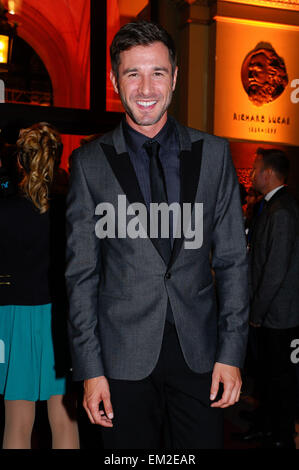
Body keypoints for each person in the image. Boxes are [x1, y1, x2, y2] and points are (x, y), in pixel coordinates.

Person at [66, 21, 249, 449]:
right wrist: (90, 371)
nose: (146, 87)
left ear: (176, 77)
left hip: (200, 356)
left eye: (158, 73)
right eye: (133, 73)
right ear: (115, 80)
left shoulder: (214, 154)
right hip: (119, 358)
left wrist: (232, 354)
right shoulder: (89, 163)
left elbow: (232, 262)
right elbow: (81, 275)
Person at [0, 123, 79, 449]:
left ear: (20, 160)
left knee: (17, 421)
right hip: (58, 318)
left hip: (11, 315)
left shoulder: (4, 209)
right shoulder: (71, 209)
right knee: (63, 418)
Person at [248, 147, 299, 448]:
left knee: (281, 380)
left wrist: (257, 311)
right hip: (272, 314)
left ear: (268, 173)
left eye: (255, 169)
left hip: (280, 316)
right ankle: (266, 428)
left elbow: (275, 270)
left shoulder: (282, 211)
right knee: (267, 377)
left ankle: (280, 436)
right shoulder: (272, 206)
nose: (252, 175)